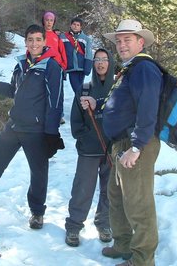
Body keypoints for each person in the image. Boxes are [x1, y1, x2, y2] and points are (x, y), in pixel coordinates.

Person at [80, 19, 162, 266]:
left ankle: (142, 260)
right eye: (119, 40)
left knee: (139, 204)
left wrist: (136, 148)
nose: (122, 44)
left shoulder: (145, 68)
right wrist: (98, 105)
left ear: (141, 42)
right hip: (121, 144)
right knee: (117, 197)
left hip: (135, 144)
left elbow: (148, 110)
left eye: (128, 39)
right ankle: (123, 245)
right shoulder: (129, 69)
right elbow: (122, 103)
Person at [0, 24, 65, 230]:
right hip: (14, 125)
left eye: (38, 39)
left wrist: (51, 134)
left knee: (38, 172)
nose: (34, 43)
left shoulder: (52, 67)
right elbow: (13, 90)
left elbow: (56, 103)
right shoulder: (21, 65)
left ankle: (36, 212)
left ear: (44, 42)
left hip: (36, 130)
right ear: (25, 42)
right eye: (30, 39)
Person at [64, 48, 115, 247]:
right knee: (82, 189)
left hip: (112, 148)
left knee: (109, 190)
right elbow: (76, 121)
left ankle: (104, 223)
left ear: (110, 63)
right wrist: (83, 137)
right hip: (89, 149)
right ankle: (74, 227)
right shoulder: (84, 89)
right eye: (97, 60)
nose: (101, 63)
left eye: (105, 59)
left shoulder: (118, 89)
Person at [41, 11, 67, 124]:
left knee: (58, 93)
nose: (49, 22)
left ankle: (59, 115)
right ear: (43, 21)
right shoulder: (39, 35)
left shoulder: (57, 37)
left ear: (54, 22)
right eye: (47, 20)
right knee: (44, 92)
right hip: (43, 66)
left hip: (56, 68)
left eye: (51, 20)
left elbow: (62, 52)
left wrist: (63, 65)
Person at [61, 16, 93, 95]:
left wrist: (88, 67)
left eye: (78, 25)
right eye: (74, 24)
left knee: (79, 89)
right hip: (71, 68)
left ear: (80, 27)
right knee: (77, 89)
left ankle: (82, 103)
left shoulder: (86, 39)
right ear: (70, 25)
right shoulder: (63, 37)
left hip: (81, 67)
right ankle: (83, 103)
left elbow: (88, 53)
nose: (75, 26)